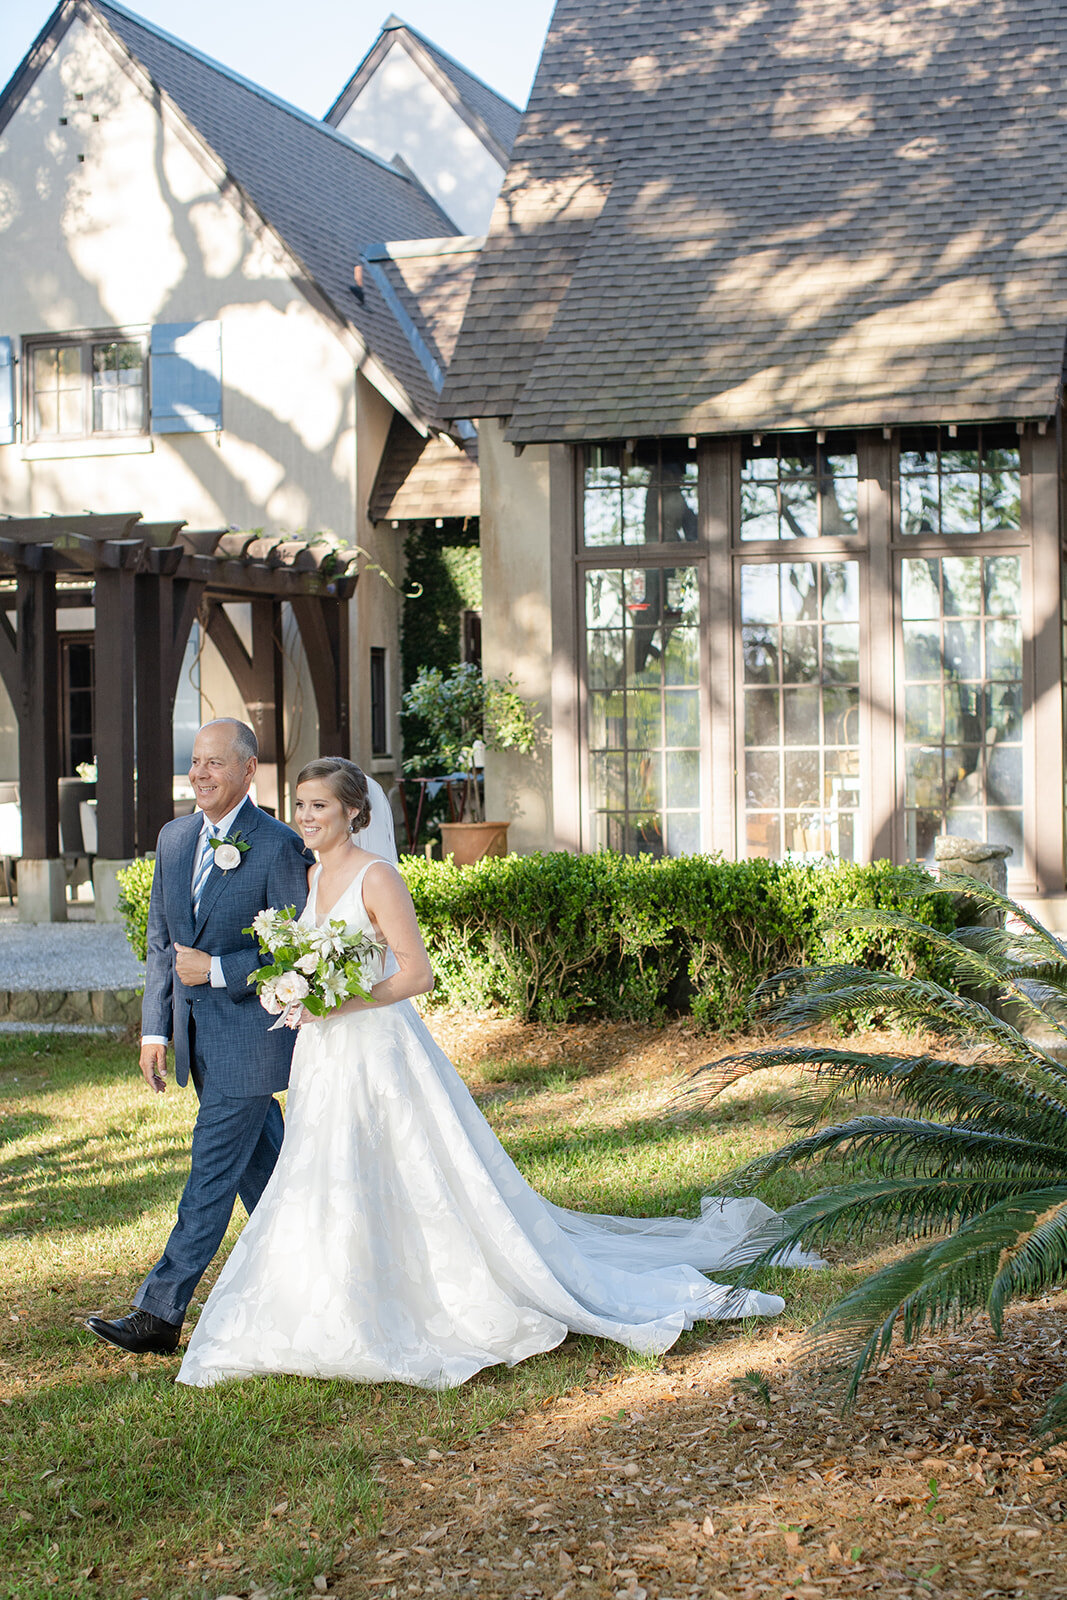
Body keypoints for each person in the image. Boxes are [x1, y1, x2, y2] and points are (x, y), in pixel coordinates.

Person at [177, 758, 815, 1391]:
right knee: (325, 1163)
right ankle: (330, 1294)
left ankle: (432, 1292)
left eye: (319, 805)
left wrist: (334, 1001)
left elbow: (415, 974)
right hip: (324, 1053)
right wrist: (296, 992)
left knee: (402, 1160)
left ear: (353, 811)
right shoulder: (313, 877)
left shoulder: (377, 878)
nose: (306, 817)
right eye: (301, 804)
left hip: (374, 1044)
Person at [87, 719, 312, 1355]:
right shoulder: (175, 837)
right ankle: (320, 1277)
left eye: (216, 762)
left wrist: (216, 969)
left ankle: (159, 1313)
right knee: (271, 1179)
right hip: (196, 1039)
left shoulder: (277, 846)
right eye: (194, 762)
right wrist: (154, 1030)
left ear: (248, 770)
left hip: (251, 1041)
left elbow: (293, 951)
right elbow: (162, 943)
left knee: (210, 1176)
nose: (200, 773)